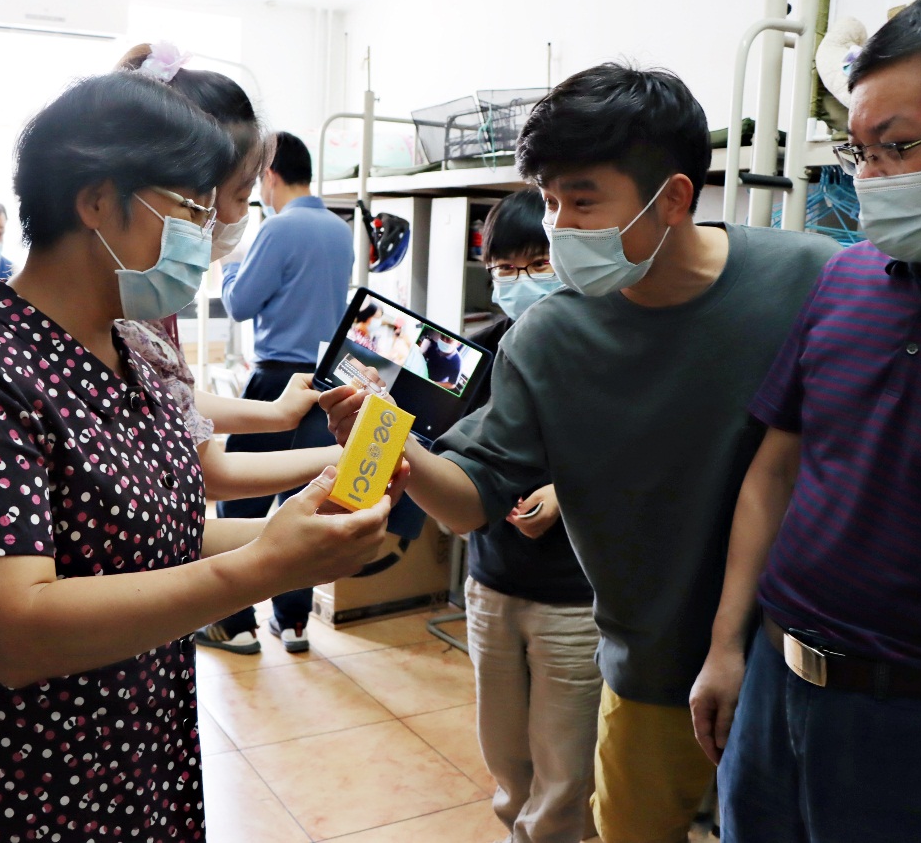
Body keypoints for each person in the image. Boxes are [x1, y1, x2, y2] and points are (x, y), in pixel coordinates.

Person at [322, 63, 840, 843]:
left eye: (583, 201)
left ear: (673, 198)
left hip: (796, 654)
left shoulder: (808, 280)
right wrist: (395, 443)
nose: (559, 226)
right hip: (652, 659)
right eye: (549, 200)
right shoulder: (549, 337)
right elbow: (472, 497)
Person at [0, 71, 402, 842]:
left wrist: (301, 530)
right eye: (191, 208)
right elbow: (16, 633)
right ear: (97, 200)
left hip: (138, 752)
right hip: (22, 787)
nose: (206, 236)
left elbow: (156, 535)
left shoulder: (139, 349)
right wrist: (263, 567)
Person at [690, 1, 921, 840]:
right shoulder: (844, 280)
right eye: (859, 151)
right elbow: (774, 471)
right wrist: (726, 646)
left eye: (898, 146)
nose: (872, 177)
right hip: (774, 679)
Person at [113, 43, 341, 502]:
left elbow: (174, 394)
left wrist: (279, 416)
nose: (235, 218)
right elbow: (208, 468)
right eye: (236, 197)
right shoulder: (339, 228)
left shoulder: (137, 315)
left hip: (279, 372)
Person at [464, 188, 601, 843]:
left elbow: (649, 453)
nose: (519, 282)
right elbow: (452, 452)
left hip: (575, 597)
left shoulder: (608, 348)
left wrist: (565, 491)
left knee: (566, 772)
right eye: (503, 269)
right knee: (506, 760)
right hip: (492, 580)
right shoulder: (479, 351)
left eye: (537, 264)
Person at [199, 129, 353, 655]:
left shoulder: (279, 227)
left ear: (269, 175)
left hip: (277, 380)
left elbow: (240, 304)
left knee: (241, 504)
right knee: (305, 496)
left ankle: (236, 624)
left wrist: (231, 264)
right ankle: (293, 624)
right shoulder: (339, 229)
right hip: (328, 379)